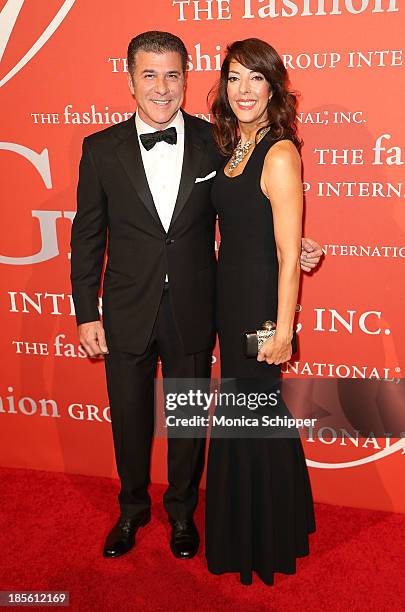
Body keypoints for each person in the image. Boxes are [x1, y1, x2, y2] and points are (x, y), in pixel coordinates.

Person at [70, 31, 321, 562]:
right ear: (130, 79)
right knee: (130, 417)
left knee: (185, 417)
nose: (162, 88)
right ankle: (132, 508)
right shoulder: (99, 149)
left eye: (173, 75)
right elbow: (87, 238)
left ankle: (183, 512)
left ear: (187, 77)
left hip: (196, 307)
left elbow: (252, 205)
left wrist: (296, 245)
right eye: (150, 75)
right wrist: (86, 313)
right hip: (125, 309)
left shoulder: (218, 140)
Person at [205, 38, 316, 585]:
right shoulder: (234, 146)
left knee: (253, 411)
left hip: (259, 312)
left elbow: (288, 257)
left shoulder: (278, 150)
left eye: (254, 78)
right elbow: (259, 228)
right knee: (249, 413)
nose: (243, 90)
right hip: (231, 301)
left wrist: (284, 329)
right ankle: (275, 523)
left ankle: (264, 538)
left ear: (273, 85)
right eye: (233, 78)